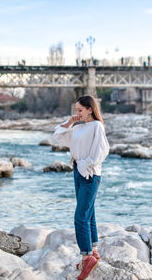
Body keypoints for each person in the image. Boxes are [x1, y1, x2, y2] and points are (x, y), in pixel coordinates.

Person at [53, 95, 109, 280]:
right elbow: (58, 137)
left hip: (90, 174)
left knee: (80, 217)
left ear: (90, 109)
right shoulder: (78, 128)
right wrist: (70, 121)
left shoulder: (97, 126)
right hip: (78, 171)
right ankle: (93, 251)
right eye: (76, 110)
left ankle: (86, 258)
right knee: (89, 212)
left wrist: (87, 165)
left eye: (80, 110)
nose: (77, 113)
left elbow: (102, 150)